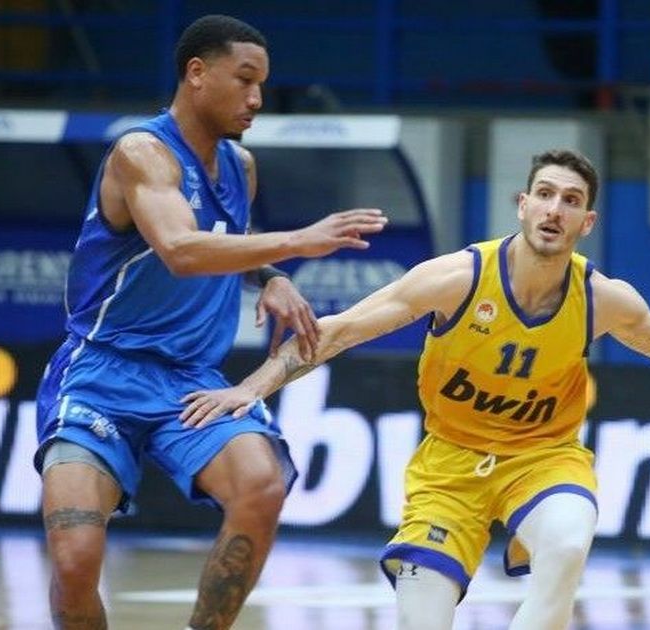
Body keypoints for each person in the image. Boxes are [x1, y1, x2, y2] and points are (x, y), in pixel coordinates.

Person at [180, 149, 650, 629]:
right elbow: (338, 331)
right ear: (523, 205)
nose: (555, 208)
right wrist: (254, 386)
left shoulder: (600, 298)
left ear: (586, 222)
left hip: (543, 460)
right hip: (450, 469)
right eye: (545, 194)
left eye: (571, 200)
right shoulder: (457, 278)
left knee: (568, 540)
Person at [33, 14, 388, 630]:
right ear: (196, 73)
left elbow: (226, 239)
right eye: (245, 80)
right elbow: (180, 247)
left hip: (190, 380)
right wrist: (298, 242)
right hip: (100, 374)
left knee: (261, 485)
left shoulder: (239, 166)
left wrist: (271, 275)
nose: (257, 99)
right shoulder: (141, 152)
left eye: (262, 85)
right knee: (75, 559)